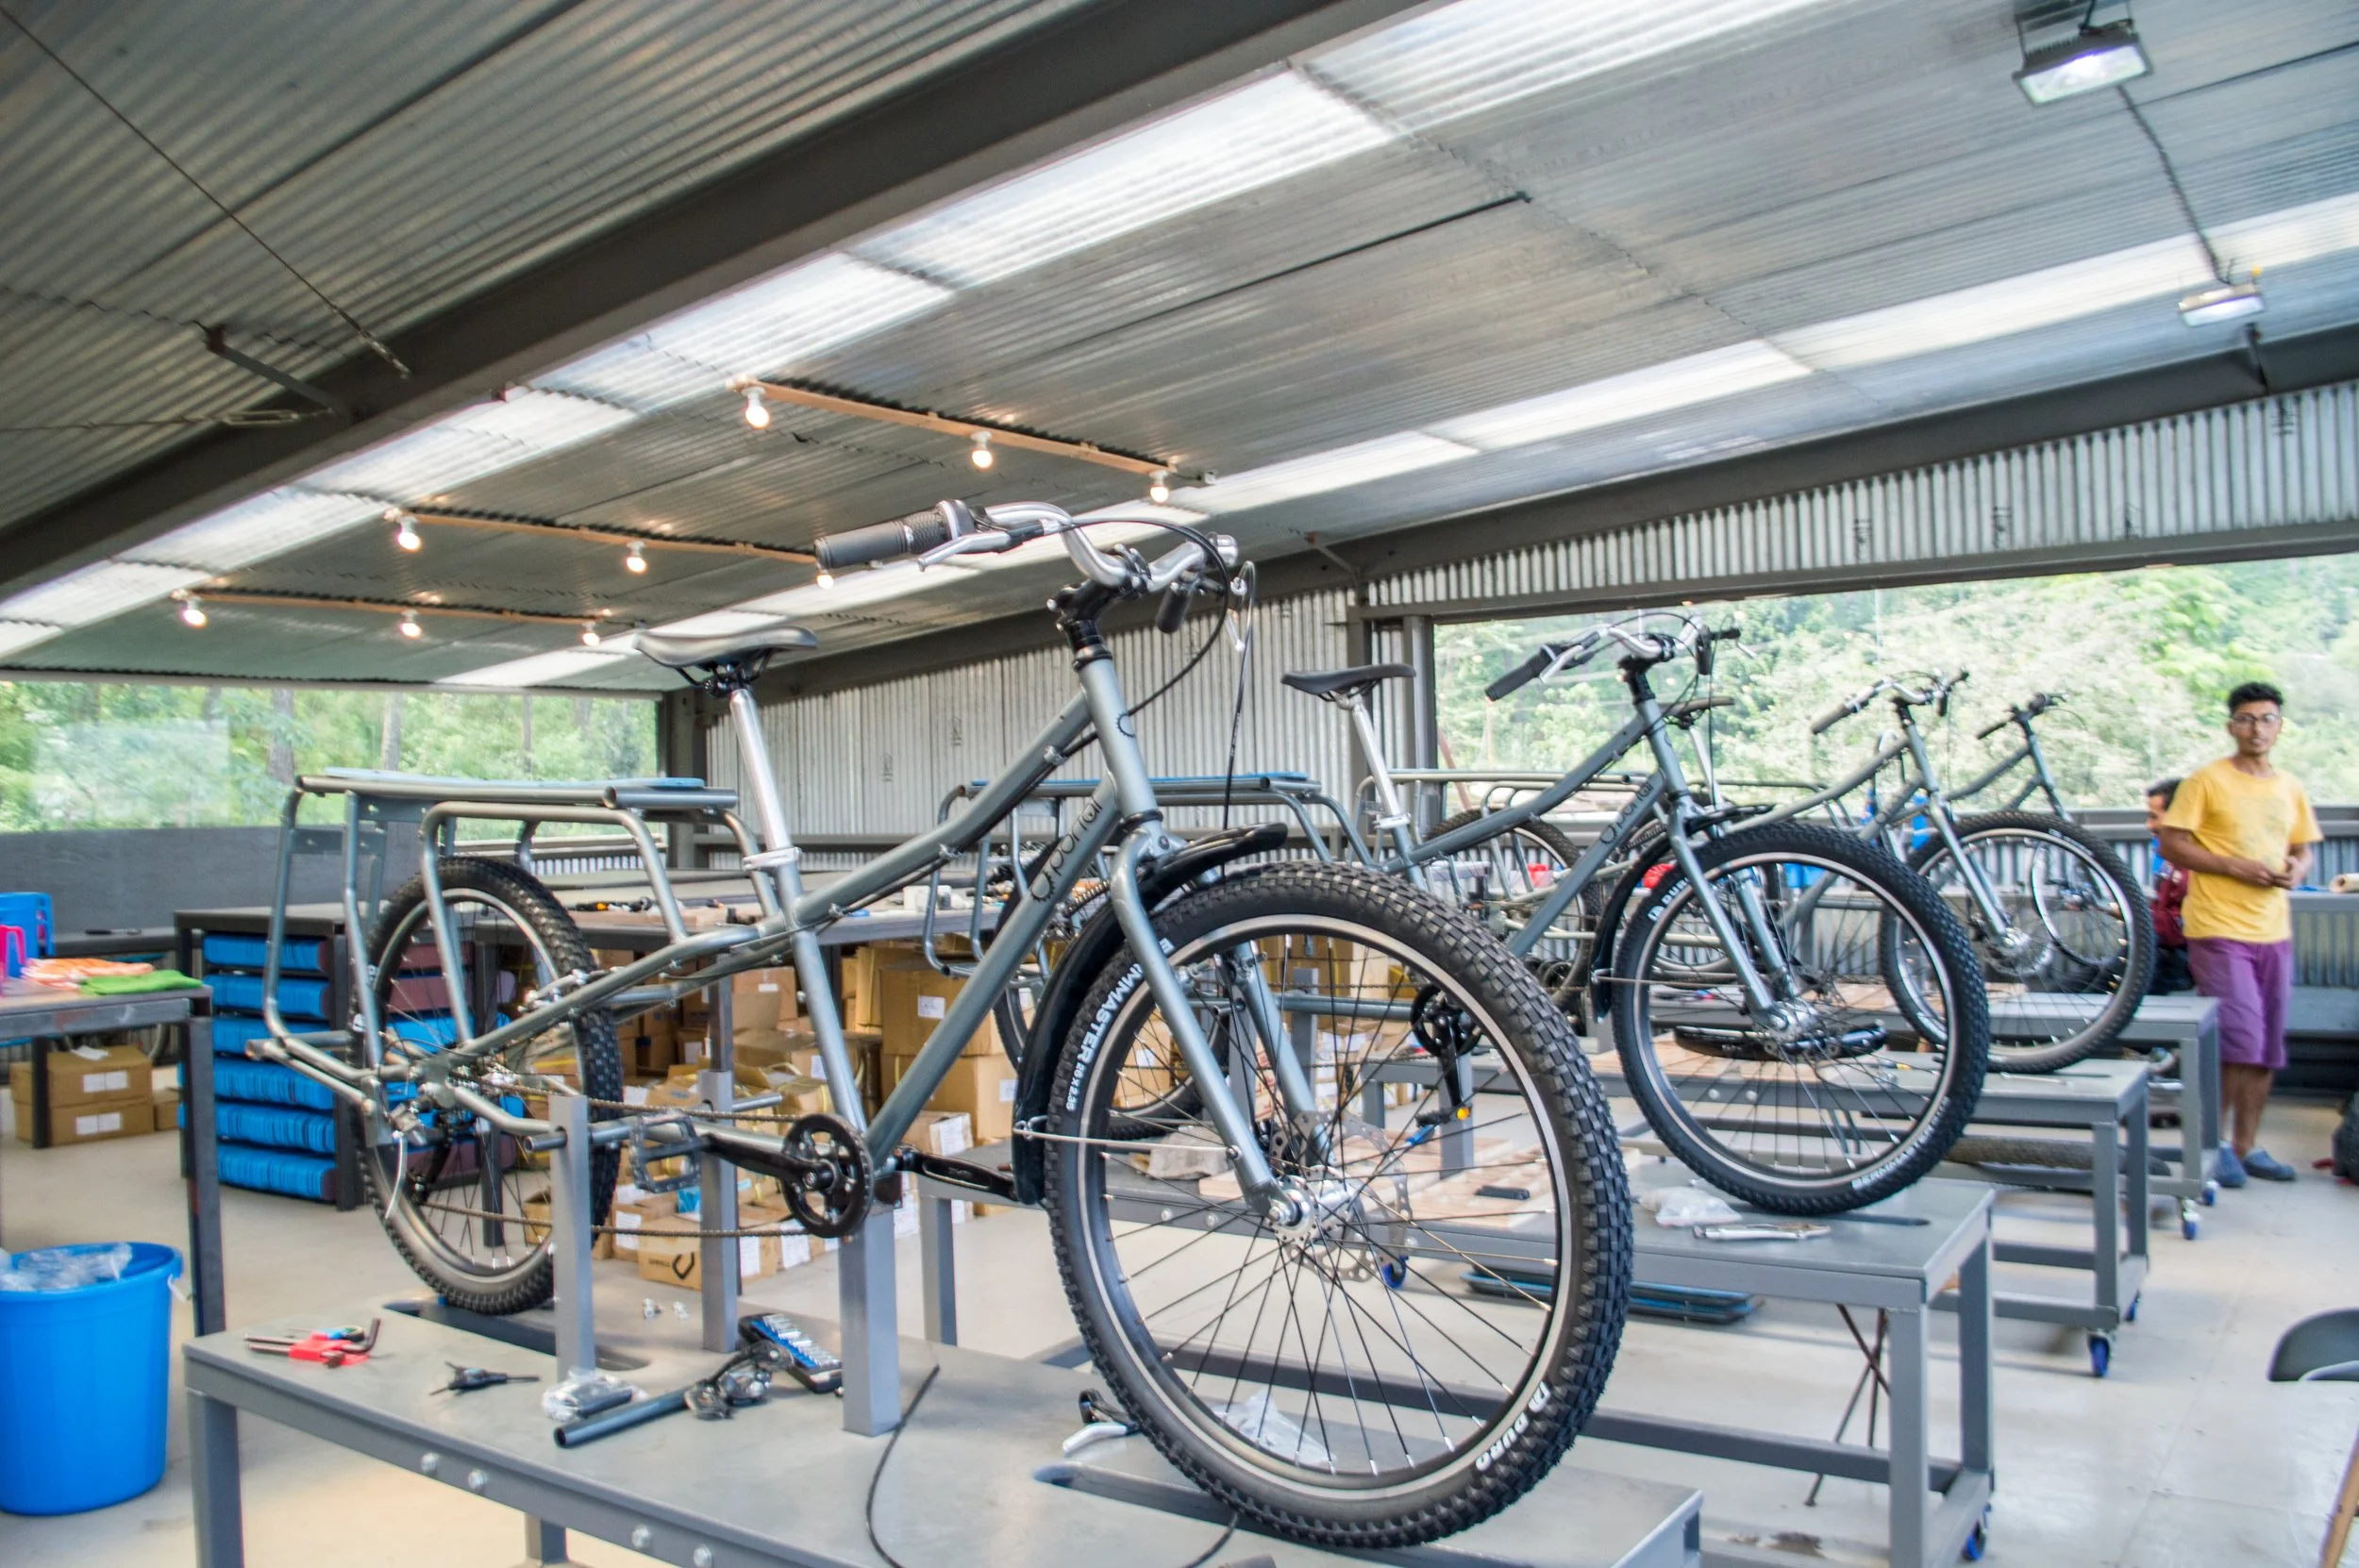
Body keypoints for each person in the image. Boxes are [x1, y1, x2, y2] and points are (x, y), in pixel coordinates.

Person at [2156, 682, 2320, 1186]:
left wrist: (2296, 869)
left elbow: (2303, 848)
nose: (2256, 729)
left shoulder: (2289, 786)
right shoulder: (2206, 781)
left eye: (2267, 719)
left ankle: (2248, 1147)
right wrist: (2234, 866)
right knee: (2239, 1041)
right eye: (2246, 719)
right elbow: (2171, 844)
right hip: (2219, 929)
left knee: (2267, 1048)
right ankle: (2216, 1145)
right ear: (2231, 726)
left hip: (2273, 931)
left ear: (2280, 727)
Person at [2145, 778, 2192, 994]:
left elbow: (2180, 927)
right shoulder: (2169, 860)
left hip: (2171, 965)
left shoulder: (2195, 866)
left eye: (2154, 817)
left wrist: (2134, 914)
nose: (2149, 826)